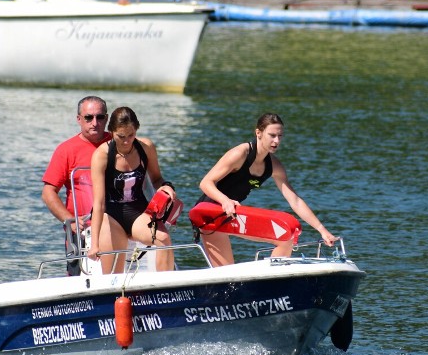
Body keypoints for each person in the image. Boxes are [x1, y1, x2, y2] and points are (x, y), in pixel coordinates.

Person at [195, 113, 336, 267]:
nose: (276, 141)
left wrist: (322, 230)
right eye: (272, 135)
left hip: (234, 213)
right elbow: (206, 183)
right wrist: (225, 201)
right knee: (226, 275)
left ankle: (273, 280)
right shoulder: (240, 154)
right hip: (209, 214)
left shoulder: (274, 166)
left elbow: (295, 201)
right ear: (258, 133)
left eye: (280, 136)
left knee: (285, 237)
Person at [88, 107, 177, 274]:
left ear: (136, 129)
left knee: (163, 239)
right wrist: (94, 245)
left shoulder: (146, 147)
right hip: (111, 214)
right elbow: (98, 203)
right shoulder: (102, 155)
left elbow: (157, 179)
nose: (127, 141)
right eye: (121, 136)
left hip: (138, 211)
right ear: (111, 131)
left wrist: (166, 187)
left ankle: (164, 290)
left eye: (131, 135)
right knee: (113, 273)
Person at [42, 96, 111, 275]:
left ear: (107, 118)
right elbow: (48, 192)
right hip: (80, 232)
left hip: (115, 225)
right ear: (79, 119)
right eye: (88, 117)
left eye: (100, 117)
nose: (94, 122)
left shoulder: (119, 144)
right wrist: (69, 219)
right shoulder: (66, 150)